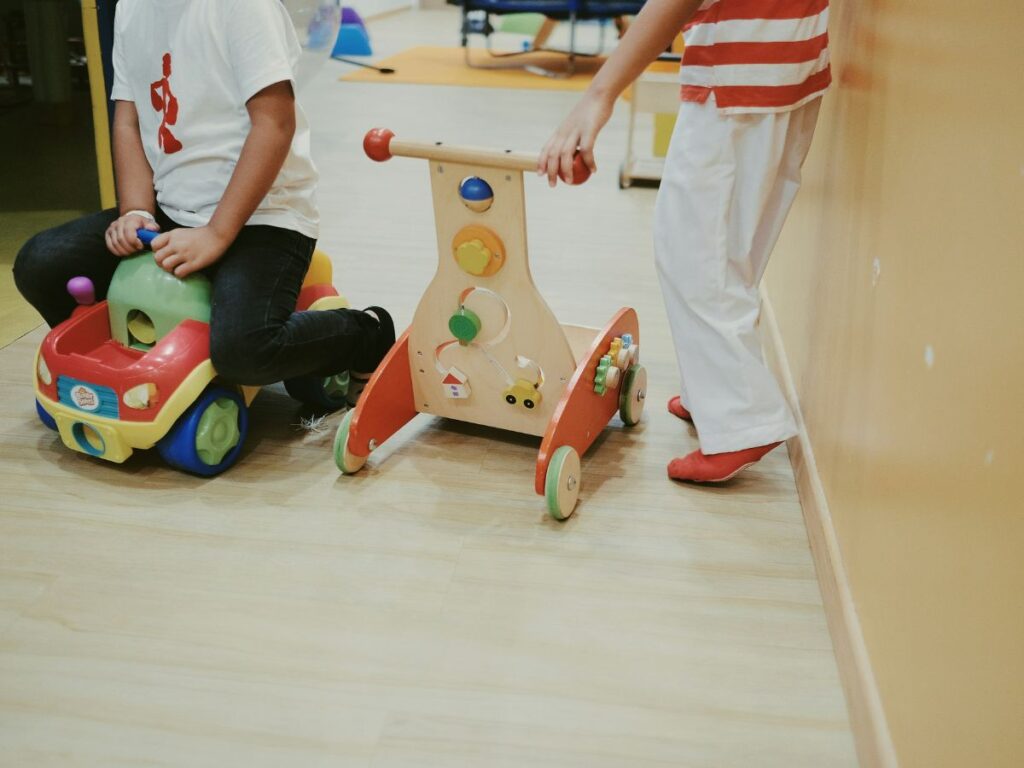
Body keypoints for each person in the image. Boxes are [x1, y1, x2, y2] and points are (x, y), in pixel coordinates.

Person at [13, 0, 393, 398]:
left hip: (263, 216)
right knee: (41, 264)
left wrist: (216, 232)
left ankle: (363, 334)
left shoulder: (244, 8)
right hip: (172, 209)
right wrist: (136, 210)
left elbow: (275, 123)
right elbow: (129, 119)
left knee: (244, 352)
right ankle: (127, 362)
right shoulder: (130, 8)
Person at [538, 0, 830, 482]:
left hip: (739, 74)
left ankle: (742, 421)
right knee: (730, 252)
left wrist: (600, 93)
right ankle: (714, 397)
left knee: (693, 255)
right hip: (788, 64)